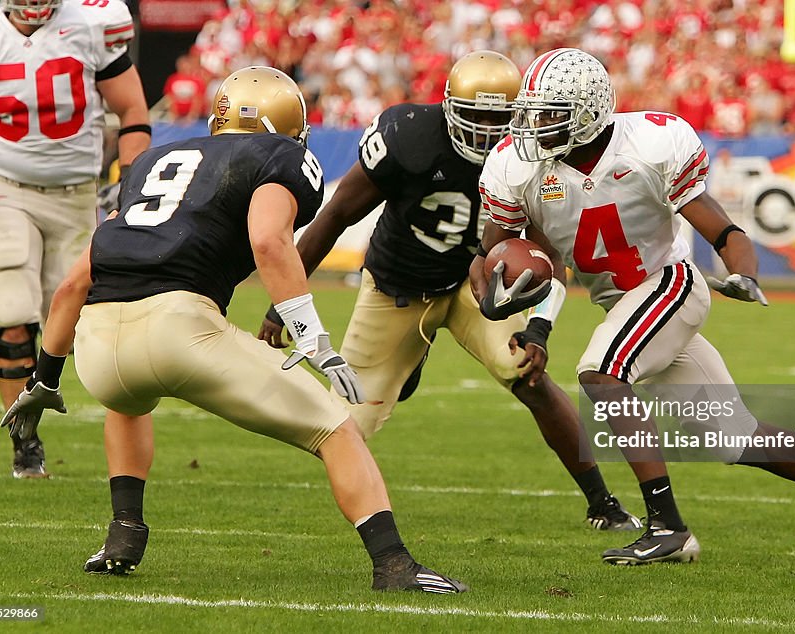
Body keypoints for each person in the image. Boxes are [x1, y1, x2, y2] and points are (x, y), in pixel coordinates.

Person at [0, 66, 465, 594]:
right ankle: (395, 565)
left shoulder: (151, 161)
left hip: (99, 348)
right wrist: (312, 336)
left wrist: (44, 379)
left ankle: (124, 534)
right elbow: (268, 241)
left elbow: (73, 284)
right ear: (284, 122)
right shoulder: (278, 156)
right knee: (335, 427)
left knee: (126, 402)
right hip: (180, 327)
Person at [472, 47, 795, 565]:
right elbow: (521, 262)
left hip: (671, 286)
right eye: (533, 112)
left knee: (600, 374)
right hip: (626, 309)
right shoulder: (519, 169)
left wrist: (744, 271)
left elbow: (721, 228)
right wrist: (525, 321)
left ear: (588, 112)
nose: (534, 126)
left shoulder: (649, 143)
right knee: (736, 439)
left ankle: (667, 527)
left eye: (550, 114)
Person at [257, 50, 639, 531]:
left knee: (530, 377)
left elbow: (548, 256)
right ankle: (407, 368)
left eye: (495, 118)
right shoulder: (407, 136)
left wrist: (539, 328)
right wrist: (280, 305)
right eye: (472, 114)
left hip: (474, 288)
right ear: (447, 106)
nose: (483, 128)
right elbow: (335, 216)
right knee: (346, 426)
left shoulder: (534, 154)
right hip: (395, 288)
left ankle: (602, 503)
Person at [0, 0, 151, 478]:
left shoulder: (91, 23)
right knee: (11, 317)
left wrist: (130, 180)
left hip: (77, 195)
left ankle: (125, 440)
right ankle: (24, 444)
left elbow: (132, 109)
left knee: (88, 322)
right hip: (5, 187)